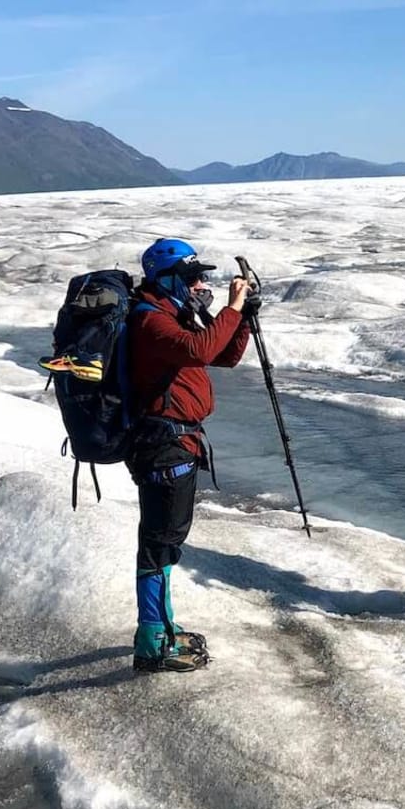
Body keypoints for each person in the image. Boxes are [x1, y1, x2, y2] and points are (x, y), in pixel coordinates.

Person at [125, 237, 257, 672]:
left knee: (165, 541)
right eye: (192, 277)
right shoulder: (150, 320)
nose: (201, 284)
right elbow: (199, 349)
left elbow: (223, 356)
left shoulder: (171, 315)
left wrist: (242, 319)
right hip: (163, 447)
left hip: (177, 443)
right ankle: (153, 642)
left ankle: (161, 628)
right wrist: (232, 308)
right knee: (159, 545)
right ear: (167, 279)